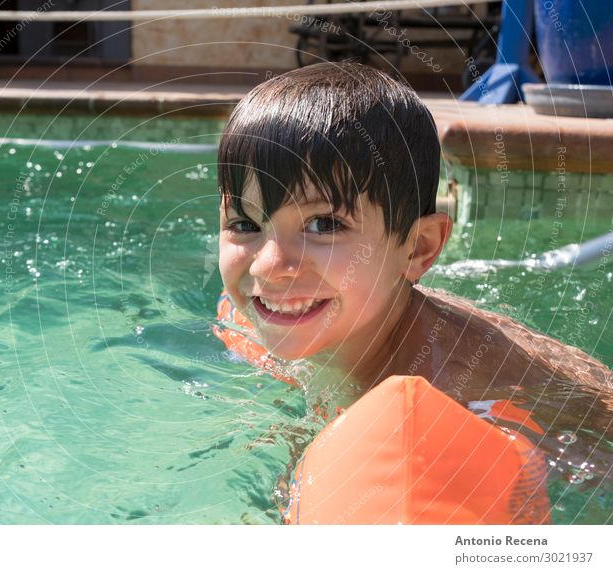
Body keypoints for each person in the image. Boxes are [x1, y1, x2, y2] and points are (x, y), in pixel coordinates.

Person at [216, 61, 612, 410]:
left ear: (418, 248)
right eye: (245, 225)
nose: (268, 268)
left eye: (324, 225)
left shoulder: (447, 387)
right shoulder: (256, 311)